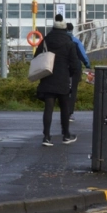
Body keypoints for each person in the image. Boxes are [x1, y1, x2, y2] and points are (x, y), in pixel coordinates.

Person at [35, 15, 79, 147]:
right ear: (65, 29)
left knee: (48, 108)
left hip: (48, 76)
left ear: (53, 28)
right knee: (64, 107)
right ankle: (66, 135)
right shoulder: (69, 42)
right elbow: (75, 65)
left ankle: (46, 137)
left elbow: (36, 57)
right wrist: (69, 73)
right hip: (63, 78)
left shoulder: (46, 41)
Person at [65, 22, 92, 122]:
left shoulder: (59, 41)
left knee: (64, 90)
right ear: (72, 30)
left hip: (61, 69)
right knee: (73, 89)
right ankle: (70, 113)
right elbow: (83, 55)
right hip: (74, 68)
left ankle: (64, 111)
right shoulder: (75, 41)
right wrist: (87, 65)